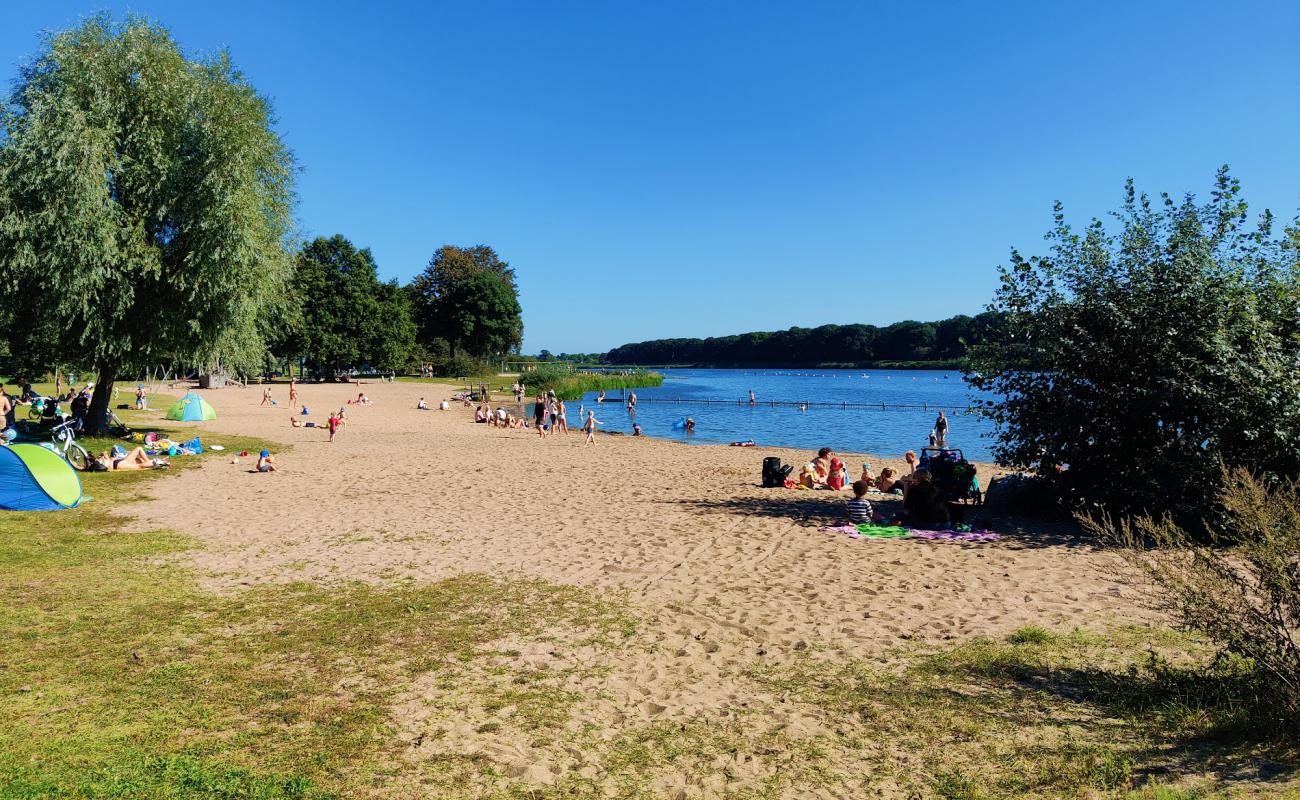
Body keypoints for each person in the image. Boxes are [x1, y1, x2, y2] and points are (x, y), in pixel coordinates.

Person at [96, 446, 168, 471]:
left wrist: (102, 455)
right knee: (139, 465)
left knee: (139, 459)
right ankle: (159, 462)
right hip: (119, 464)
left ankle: (158, 462)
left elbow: (107, 458)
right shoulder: (100, 463)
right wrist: (103, 454)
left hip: (119, 463)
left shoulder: (100, 462)